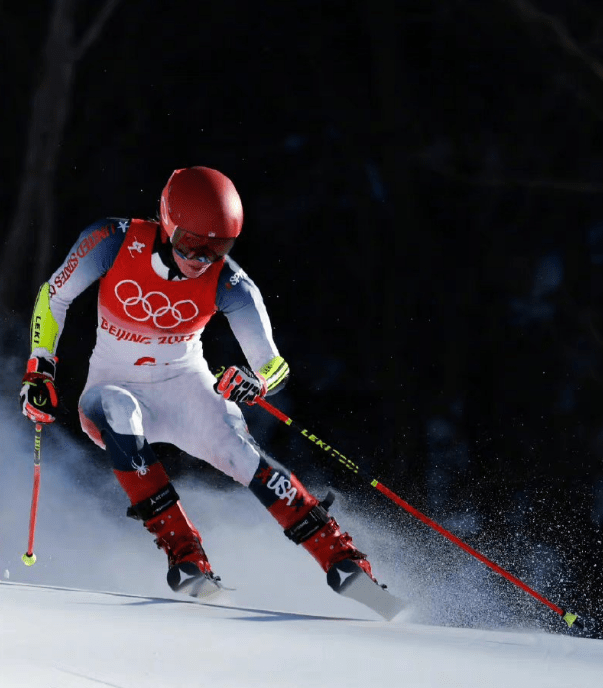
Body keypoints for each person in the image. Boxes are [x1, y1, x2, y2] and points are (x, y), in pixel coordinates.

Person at [19, 166, 376, 598]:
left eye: (218, 247)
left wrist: (254, 383)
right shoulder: (113, 239)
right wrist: (41, 367)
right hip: (112, 385)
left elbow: (273, 365)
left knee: (239, 453)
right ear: (168, 223)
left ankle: (341, 557)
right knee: (117, 408)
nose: (201, 259)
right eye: (192, 243)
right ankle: (186, 554)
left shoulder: (231, 282)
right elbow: (54, 295)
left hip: (185, 387)